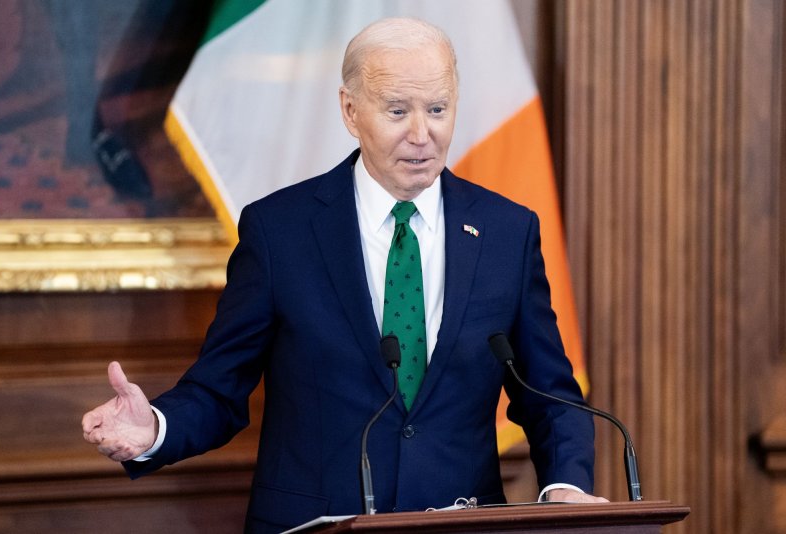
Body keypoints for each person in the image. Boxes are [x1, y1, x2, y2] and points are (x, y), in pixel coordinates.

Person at [82, 17, 607, 533]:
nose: (422, 134)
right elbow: (219, 391)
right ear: (351, 110)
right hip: (311, 525)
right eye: (398, 110)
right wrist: (155, 428)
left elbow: (550, 396)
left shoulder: (506, 232)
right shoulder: (279, 231)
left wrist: (566, 485)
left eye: (439, 109)